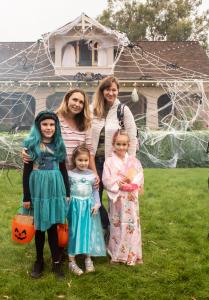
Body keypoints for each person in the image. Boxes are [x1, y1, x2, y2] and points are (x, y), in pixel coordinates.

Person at [22, 111, 70, 279]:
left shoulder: (58, 145)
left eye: (51, 124)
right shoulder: (31, 145)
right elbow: (26, 172)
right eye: (45, 124)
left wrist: (67, 192)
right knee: (40, 227)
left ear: (56, 127)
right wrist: (26, 197)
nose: (48, 128)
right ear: (38, 126)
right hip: (38, 190)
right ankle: (39, 261)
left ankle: (56, 262)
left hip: (55, 189)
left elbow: (63, 169)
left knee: (53, 227)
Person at [91, 76, 138, 236]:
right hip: (95, 161)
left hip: (115, 163)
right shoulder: (92, 110)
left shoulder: (122, 110)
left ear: (117, 91)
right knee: (93, 196)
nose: (111, 93)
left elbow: (132, 137)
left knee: (116, 198)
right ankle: (105, 224)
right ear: (102, 91)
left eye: (114, 89)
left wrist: (129, 165)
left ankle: (117, 234)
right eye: (107, 89)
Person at [102, 129, 144, 265]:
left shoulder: (134, 161)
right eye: (118, 144)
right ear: (113, 144)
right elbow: (106, 179)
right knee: (117, 224)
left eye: (124, 144)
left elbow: (139, 176)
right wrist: (117, 184)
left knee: (132, 224)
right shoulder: (109, 161)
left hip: (130, 197)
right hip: (118, 198)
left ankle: (133, 254)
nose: (121, 147)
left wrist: (131, 183)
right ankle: (117, 254)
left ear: (128, 145)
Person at [67, 144, 106, 275]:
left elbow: (96, 191)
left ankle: (88, 258)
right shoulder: (70, 174)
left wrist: (97, 204)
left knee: (87, 232)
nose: (83, 163)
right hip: (74, 208)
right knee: (74, 231)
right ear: (74, 160)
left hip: (88, 207)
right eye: (80, 160)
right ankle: (71, 261)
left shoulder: (92, 175)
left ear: (89, 161)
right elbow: (66, 192)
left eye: (86, 160)